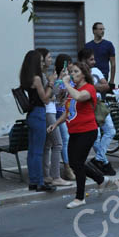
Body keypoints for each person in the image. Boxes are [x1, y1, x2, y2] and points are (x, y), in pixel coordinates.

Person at [56, 61, 106, 209]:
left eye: (76, 72)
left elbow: (79, 97)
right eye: (72, 72)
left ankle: (80, 197)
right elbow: (68, 111)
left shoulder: (88, 88)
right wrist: (55, 124)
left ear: (84, 74)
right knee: (74, 163)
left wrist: (67, 84)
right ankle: (100, 179)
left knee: (77, 163)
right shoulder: (73, 90)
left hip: (88, 131)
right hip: (75, 131)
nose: (73, 74)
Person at [78, 47, 117, 176]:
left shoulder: (95, 70)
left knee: (111, 130)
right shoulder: (78, 74)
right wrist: (96, 88)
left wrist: (93, 88)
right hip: (87, 106)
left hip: (99, 105)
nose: (94, 62)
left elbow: (106, 86)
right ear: (83, 61)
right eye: (91, 59)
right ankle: (104, 163)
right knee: (96, 136)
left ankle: (99, 159)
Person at [36, 48, 71, 187]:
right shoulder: (44, 76)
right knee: (58, 144)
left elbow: (54, 95)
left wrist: (58, 82)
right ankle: (55, 176)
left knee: (48, 145)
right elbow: (48, 96)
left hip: (50, 110)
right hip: (48, 112)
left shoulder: (45, 75)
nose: (51, 60)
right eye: (49, 57)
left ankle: (47, 175)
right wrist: (56, 81)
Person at [20, 50, 54, 191]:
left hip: (31, 114)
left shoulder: (25, 77)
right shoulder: (37, 78)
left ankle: (33, 181)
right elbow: (45, 99)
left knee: (32, 150)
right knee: (38, 151)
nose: (42, 64)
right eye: (40, 61)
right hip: (39, 113)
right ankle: (39, 182)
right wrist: (51, 84)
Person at [54, 54, 75, 181]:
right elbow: (57, 95)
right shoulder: (57, 79)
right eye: (69, 63)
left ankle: (72, 165)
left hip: (71, 113)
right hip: (60, 113)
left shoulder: (70, 78)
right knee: (65, 139)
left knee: (72, 140)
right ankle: (67, 168)